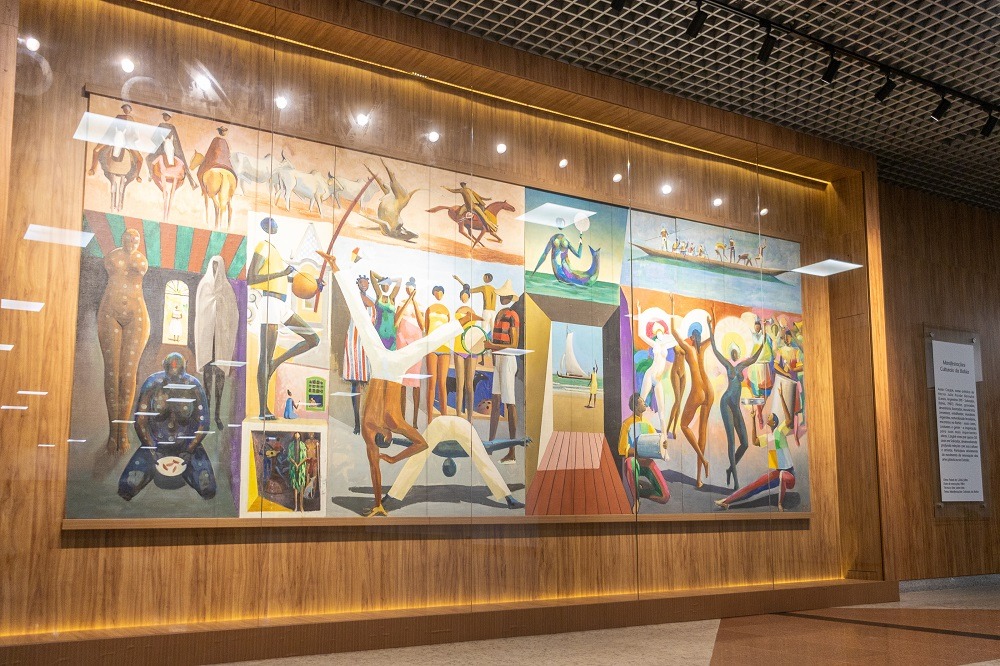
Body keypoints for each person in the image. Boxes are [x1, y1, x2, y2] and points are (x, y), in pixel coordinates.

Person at [319, 251, 463, 517]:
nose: (389, 437)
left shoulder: (393, 423)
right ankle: (337, 267)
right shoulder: (376, 426)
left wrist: (392, 463)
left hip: (390, 367)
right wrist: (391, 462)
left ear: (386, 436)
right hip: (385, 365)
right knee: (370, 323)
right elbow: (400, 454)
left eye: (388, 439)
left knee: (420, 342)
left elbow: (419, 445)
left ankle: (460, 324)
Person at [247, 217, 321, 420]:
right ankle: (263, 410)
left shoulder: (275, 251)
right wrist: (282, 272)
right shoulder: (263, 246)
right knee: (265, 355)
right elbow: (251, 278)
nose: (275, 225)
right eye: (271, 223)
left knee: (313, 339)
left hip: (281, 304)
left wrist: (313, 284)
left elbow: (280, 277)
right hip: (269, 303)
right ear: (265, 227)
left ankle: (276, 362)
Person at [118, 353, 215, 500]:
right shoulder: (152, 383)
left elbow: (204, 422)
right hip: (155, 444)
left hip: (186, 446)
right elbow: (140, 421)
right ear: (164, 366)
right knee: (127, 487)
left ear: (185, 366)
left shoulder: (194, 385)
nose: (174, 380)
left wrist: (190, 449)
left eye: (178, 374)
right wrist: (151, 448)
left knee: (208, 489)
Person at [385, 416, 525, 509]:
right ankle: (509, 499)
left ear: (447, 464)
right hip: (456, 425)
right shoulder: (443, 450)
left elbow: (412, 444)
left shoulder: (439, 450)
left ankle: (390, 496)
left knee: (416, 460)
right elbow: (492, 445)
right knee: (484, 462)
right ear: (452, 465)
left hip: (444, 424)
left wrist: (517, 441)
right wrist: (517, 441)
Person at [98, 228, 151, 455]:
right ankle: (113, 432)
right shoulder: (112, 257)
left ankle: (123, 432)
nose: (132, 240)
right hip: (109, 311)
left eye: (135, 238)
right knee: (112, 371)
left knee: (128, 374)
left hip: (136, 314)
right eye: (128, 237)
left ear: (139, 241)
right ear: (122, 238)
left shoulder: (141, 260)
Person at [715, 385, 796, 511]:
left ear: (774, 422)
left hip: (789, 474)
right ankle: (726, 501)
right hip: (778, 471)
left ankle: (780, 504)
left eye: (770, 416)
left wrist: (781, 397)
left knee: (781, 476)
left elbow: (789, 420)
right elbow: (755, 441)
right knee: (754, 486)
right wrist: (753, 419)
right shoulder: (769, 437)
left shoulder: (780, 431)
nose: (767, 416)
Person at [708, 310, 763, 490]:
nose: (733, 354)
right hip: (726, 404)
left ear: (738, 353)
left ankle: (730, 469)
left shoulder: (741, 366)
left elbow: (754, 358)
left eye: (735, 352)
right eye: (731, 352)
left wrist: (763, 342)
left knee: (745, 444)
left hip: (736, 406)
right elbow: (715, 349)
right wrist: (709, 327)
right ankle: (737, 483)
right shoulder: (727, 365)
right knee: (732, 442)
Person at [670, 314, 712, 487]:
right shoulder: (703, 346)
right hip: (709, 390)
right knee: (703, 432)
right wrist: (710, 322)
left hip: (697, 390)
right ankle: (698, 478)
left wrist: (672, 309)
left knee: (684, 425)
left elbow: (673, 331)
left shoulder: (688, 348)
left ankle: (703, 461)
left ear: (692, 337)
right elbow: (713, 336)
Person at [486, 280, 520, 464]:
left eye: (504, 295)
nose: (501, 298)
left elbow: (513, 344)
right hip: (498, 359)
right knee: (496, 400)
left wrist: (492, 346)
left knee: (509, 403)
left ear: (509, 297)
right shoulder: (499, 314)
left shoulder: (513, 315)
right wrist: (493, 353)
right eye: (501, 295)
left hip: (507, 359)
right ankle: (490, 445)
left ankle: (512, 452)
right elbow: (495, 339)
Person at [617, 393, 669, 510]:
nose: (645, 404)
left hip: (646, 462)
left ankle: (639, 490)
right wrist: (638, 451)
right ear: (636, 406)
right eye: (642, 402)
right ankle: (635, 500)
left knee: (665, 496)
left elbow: (655, 441)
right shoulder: (627, 424)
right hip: (633, 462)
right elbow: (621, 450)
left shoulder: (647, 423)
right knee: (631, 462)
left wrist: (663, 444)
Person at [343, 273, 375, 434]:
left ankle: (366, 421)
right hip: (354, 341)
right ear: (357, 284)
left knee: (366, 383)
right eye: (361, 282)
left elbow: (373, 315)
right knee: (356, 383)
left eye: (366, 282)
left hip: (366, 342)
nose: (364, 285)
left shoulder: (370, 300)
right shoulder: (355, 297)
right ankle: (357, 422)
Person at [394, 277, 423, 428]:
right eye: (408, 287)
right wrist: (407, 301)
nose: (409, 289)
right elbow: (396, 321)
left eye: (412, 287)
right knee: (402, 381)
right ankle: (402, 418)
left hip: (416, 341)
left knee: (416, 382)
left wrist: (414, 301)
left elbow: (422, 325)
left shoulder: (420, 305)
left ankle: (415, 421)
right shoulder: (401, 303)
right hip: (402, 340)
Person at [452, 285, 483, 421]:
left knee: (469, 385)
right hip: (459, 347)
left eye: (465, 296)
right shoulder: (458, 311)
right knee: (460, 385)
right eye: (462, 296)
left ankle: (470, 417)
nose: (464, 298)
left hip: (471, 349)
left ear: (468, 296)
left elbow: (476, 331)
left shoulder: (472, 311)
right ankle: (458, 416)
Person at [147, 111, 198, 189]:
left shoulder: (163, 126)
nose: (165, 117)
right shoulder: (170, 126)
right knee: (182, 159)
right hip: (168, 146)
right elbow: (175, 140)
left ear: (169, 117)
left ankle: (151, 174)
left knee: (149, 158)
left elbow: (154, 139)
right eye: (164, 115)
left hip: (165, 147)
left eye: (166, 116)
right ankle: (192, 183)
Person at [424, 285, 452, 421]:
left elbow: (449, 328)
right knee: (432, 383)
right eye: (436, 292)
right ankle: (429, 418)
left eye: (440, 292)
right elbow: (426, 329)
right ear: (433, 293)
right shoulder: (429, 309)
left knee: (442, 383)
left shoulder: (447, 310)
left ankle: (444, 417)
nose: (438, 294)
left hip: (445, 347)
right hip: (432, 347)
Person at [744, 318, 775, 430]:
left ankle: (760, 412)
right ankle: (760, 416)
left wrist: (765, 326)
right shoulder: (751, 337)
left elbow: (765, 339)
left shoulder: (764, 336)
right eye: (756, 326)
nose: (757, 328)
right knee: (756, 393)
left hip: (763, 366)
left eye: (759, 326)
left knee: (766, 392)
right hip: (754, 366)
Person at [371, 271, 401, 349]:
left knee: (391, 353)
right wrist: (381, 279)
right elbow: (371, 273)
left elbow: (399, 280)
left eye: (387, 284)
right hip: (379, 332)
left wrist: (388, 280)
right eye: (383, 284)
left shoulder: (392, 298)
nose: (385, 286)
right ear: (380, 286)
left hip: (391, 333)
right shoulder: (379, 296)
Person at [287, 432, 308, 512]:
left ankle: (301, 507)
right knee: (295, 487)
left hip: (301, 468)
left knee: (301, 486)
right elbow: (289, 456)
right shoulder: (291, 445)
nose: (296, 435)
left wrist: (298, 464)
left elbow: (305, 457)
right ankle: (296, 507)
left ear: (300, 436)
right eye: (295, 434)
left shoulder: (303, 445)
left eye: (298, 434)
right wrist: (295, 464)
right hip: (293, 468)